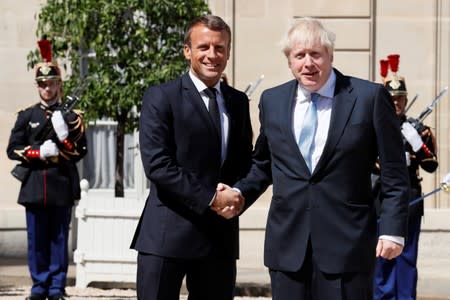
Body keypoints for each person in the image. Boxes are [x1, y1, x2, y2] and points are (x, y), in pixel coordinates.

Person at [215, 17, 410, 299]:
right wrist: (239, 192)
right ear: (289, 61)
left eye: (315, 54)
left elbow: (394, 171)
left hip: (347, 248)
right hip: (288, 250)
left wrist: (392, 230)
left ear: (330, 55)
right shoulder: (273, 101)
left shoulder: (368, 97)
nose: (308, 63)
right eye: (300, 55)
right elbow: (264, 164)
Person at [130, 15, 253, 300]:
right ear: (187, 51)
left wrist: (238, 194)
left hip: (218, 240)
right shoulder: (161, 97)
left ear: (229, 52)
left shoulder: (238, 102)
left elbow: (244, 164)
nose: (212, 55)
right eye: (204, 47)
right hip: (167, 237)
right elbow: (158, 165)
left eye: (220, 48)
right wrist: (211, 197)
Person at [6, 58, 87, 300]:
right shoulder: (27, 115)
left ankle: (56, 287)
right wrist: (37, 152)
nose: (47, 89)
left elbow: (80, 151)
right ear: (37, 87)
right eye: (42, 84)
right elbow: (13, 149)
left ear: (59, 85)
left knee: (58, 239)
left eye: (51, 84)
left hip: (60, 183)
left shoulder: (73, 117)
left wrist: (64, 137)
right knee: (37, 239)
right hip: (33, 186)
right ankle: (39, 286)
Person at [373, 72, 438, 300]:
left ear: (406, 99)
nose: (396, 103)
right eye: (391, 98)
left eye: (400, 98)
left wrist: (417, 145)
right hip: (381, 201)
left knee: (407, 259)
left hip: (410, 202)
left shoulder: (418, 130)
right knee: (382, 257)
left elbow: (431, 165)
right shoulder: (373, 128)